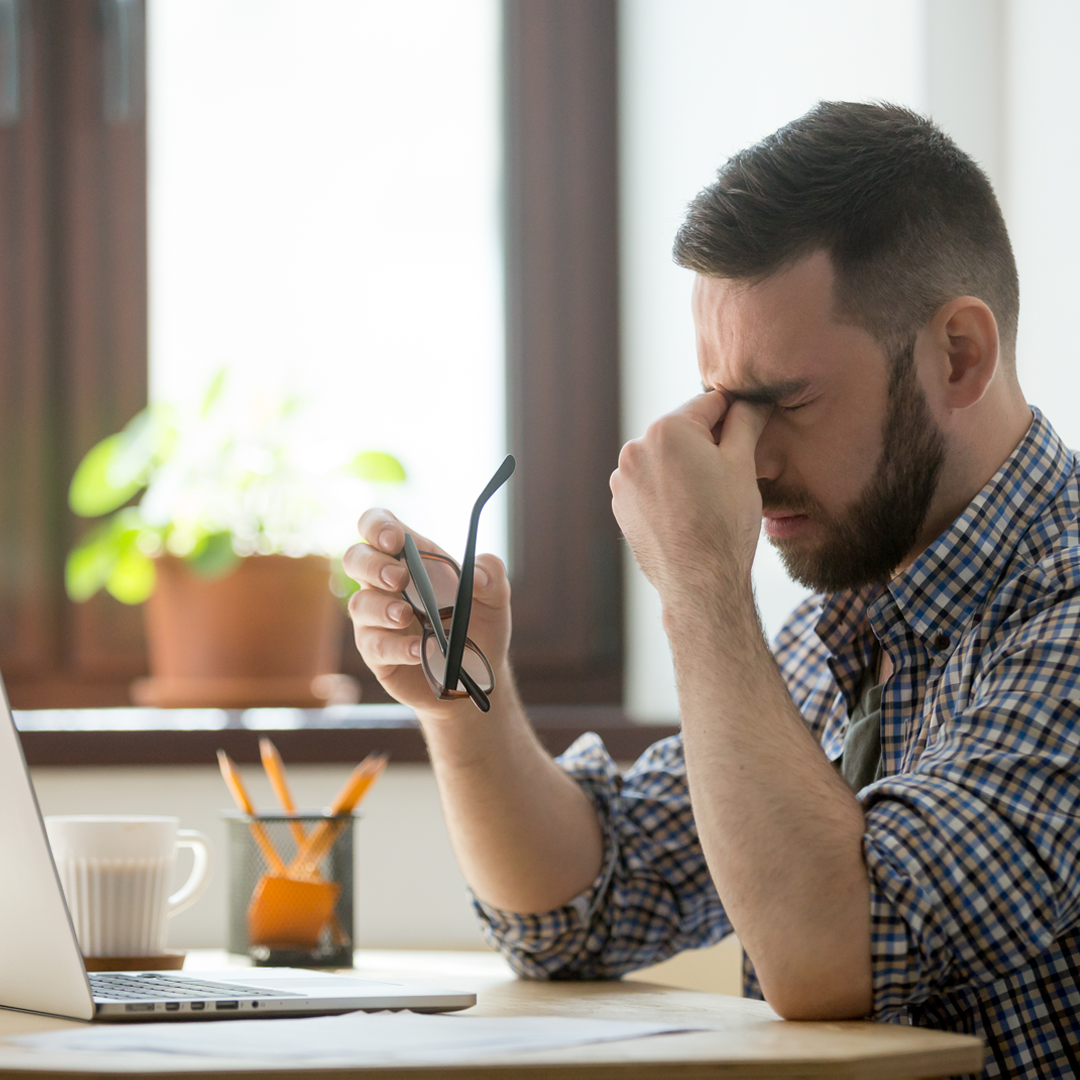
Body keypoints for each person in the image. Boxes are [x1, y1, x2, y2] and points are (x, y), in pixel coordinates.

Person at [343, 102, 1080, 1078]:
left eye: (784, 402)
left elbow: (835, 953)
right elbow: (577, 910)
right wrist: (462, 697)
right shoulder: (846, 628)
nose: (744, 458)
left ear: (960, 357)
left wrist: (699, 585)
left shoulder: (1063, 617)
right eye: (724, 403)